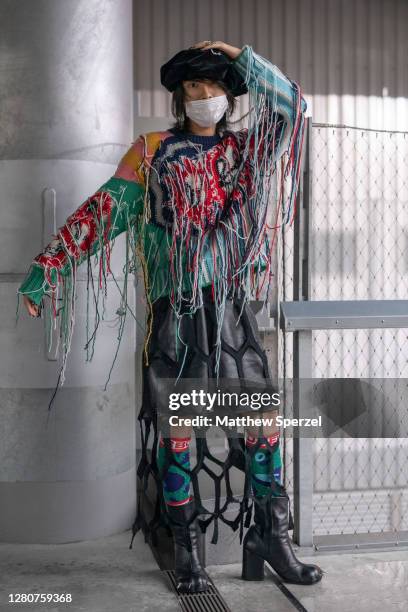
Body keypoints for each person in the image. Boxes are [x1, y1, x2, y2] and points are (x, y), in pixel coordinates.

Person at [18, 40, 323, 593]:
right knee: (177, 435)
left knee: (264, 428)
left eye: (215, 85)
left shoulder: (249, 152)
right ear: (179, 96)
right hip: (175, 318)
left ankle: (270, 538)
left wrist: (243, 56)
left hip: (232, 315)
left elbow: (295, 108)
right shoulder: (152, 151)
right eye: (193, 86)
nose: (205, 95)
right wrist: (49, 268)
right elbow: (104, 211)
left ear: (232, 95)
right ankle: (186, 553)